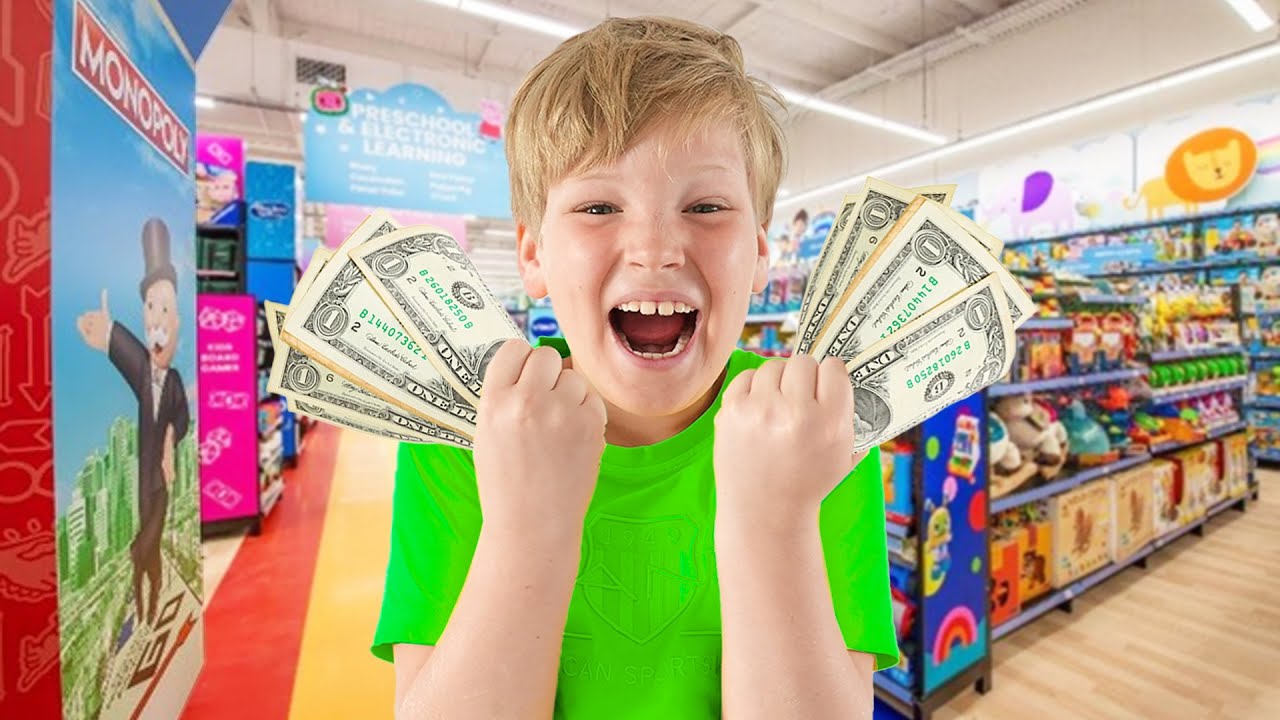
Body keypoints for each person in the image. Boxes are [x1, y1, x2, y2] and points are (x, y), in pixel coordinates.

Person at [373, 16, 896, 718]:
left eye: (707, 206)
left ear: (761, 250)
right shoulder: (466, 435)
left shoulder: (819, 437)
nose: (656, 248)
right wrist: (527, 527)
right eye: (597, 206)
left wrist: (776, 517)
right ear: (534, 256)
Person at [76, 218, 189, 628]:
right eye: (151, 308)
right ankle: (146, 600)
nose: (157, 320)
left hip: (162, 480)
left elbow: (182, 418)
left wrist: (172, 437)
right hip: (147, 479)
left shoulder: (173, 381)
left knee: (150, 543)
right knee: (150, 545)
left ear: (177, 322)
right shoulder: (146, 372)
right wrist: (107, 332)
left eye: (165, 310)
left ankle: (148, 589)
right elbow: (129, 354)